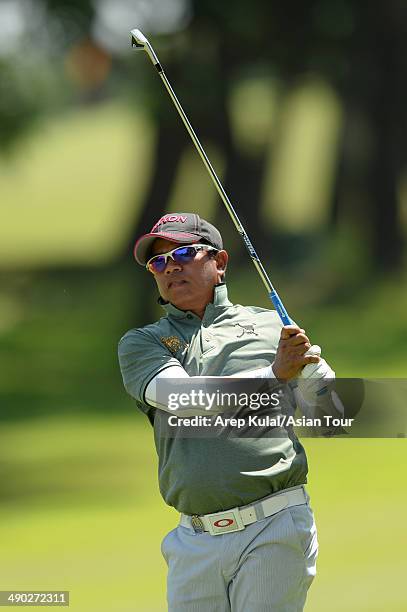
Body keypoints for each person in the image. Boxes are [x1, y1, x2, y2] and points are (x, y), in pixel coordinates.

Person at [118, 212, 336, 612]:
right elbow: (181, 398)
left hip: (275, 525)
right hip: (194, 538)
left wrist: (313, 371)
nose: (171, 267)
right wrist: (274, 374)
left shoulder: (271, 327)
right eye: (158, 262)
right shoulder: (143, 342)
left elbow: (325, 410)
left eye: (183, 253)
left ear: (219, 263)